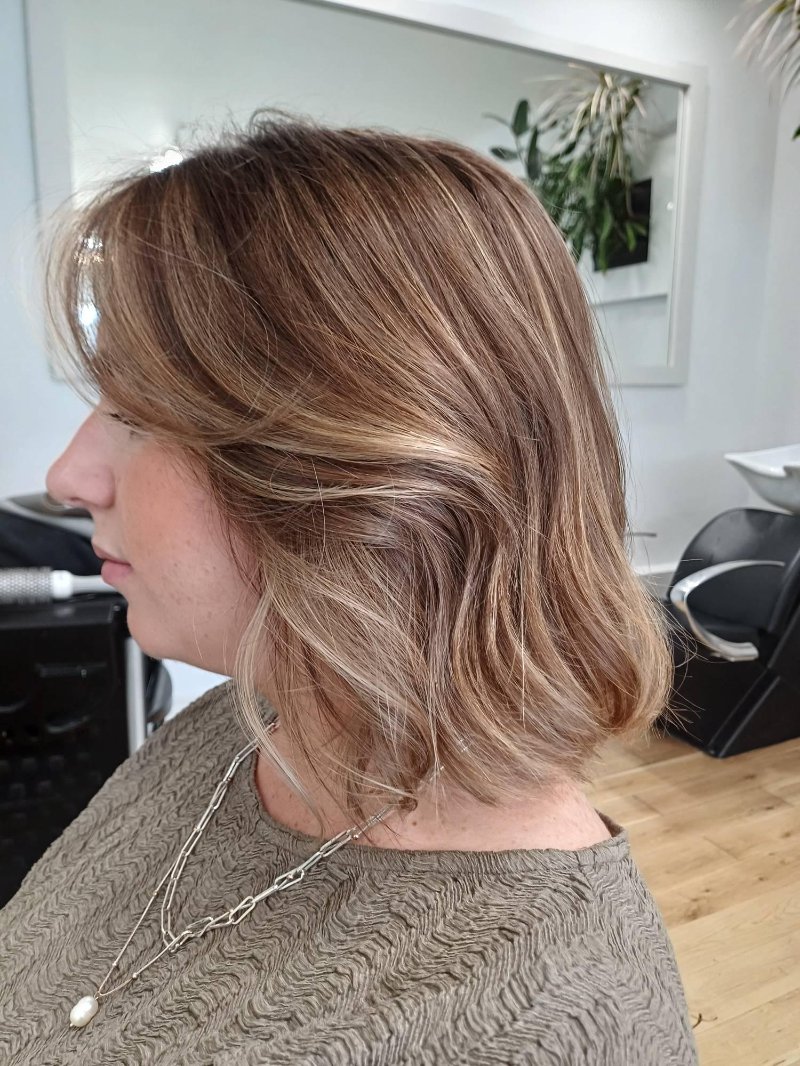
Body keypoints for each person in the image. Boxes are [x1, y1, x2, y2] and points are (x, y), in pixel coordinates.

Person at [0, 113, 698, 1065]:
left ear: (366, 477)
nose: (69, 477)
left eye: (138, 412)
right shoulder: (248, 729)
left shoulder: (551, 1025)